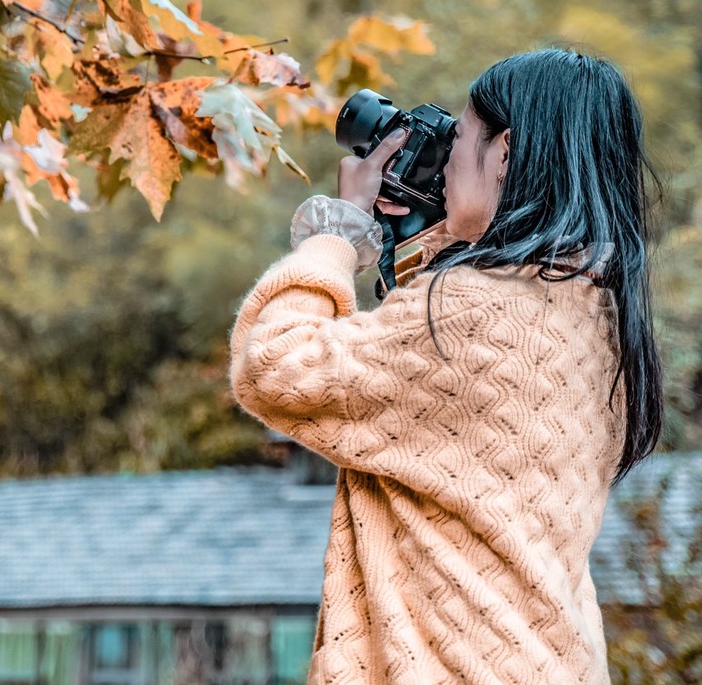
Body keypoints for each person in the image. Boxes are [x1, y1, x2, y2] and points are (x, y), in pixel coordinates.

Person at [228, 49, 663, 684]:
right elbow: (441, 405)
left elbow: (275, 365)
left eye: (459, 138)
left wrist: (339, 232)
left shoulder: (464, 315)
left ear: (506, 150)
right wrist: (429, 237)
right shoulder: (596, 318)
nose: (449, 158)